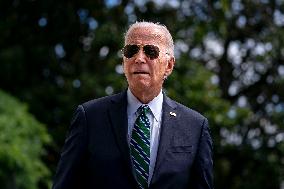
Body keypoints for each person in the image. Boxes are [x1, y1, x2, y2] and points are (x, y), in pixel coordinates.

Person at [52, 21, 213, 189]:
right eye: (131, 51)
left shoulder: (195, 126)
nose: (139, 58)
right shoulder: (90, 117)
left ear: (169, 65)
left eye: (150, 51)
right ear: (123, 61)